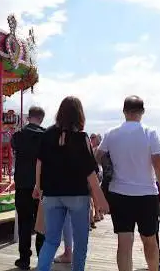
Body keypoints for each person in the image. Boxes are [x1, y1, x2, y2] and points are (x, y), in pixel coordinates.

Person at [96, 95, 160, 271]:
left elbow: (98, 156)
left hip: (119, 193)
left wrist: (110, 165)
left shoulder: (111, 133)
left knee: (124, 242)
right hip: (147, 195)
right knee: (149, 240)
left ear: (124, 111)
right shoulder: (150, 133)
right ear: (142, 112)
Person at [34, 96, 109, 271]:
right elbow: (90, 172)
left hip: (52, 195)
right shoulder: (81, 137)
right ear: (79, 115)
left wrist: (38, 187)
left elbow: (39, 163)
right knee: (81, 243)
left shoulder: (47, 134)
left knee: (51, 240)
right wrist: (101, 200)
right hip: (77, 195)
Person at [12, 106, 46, 270]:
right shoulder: (46, 136)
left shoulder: (18, 136)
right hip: (41, 186)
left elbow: (14, 152)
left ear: (28, 117)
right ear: (41, 119)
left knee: (24, 223)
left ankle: (24, 259)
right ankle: (42, 257)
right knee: (41, 224)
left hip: (22, 184)